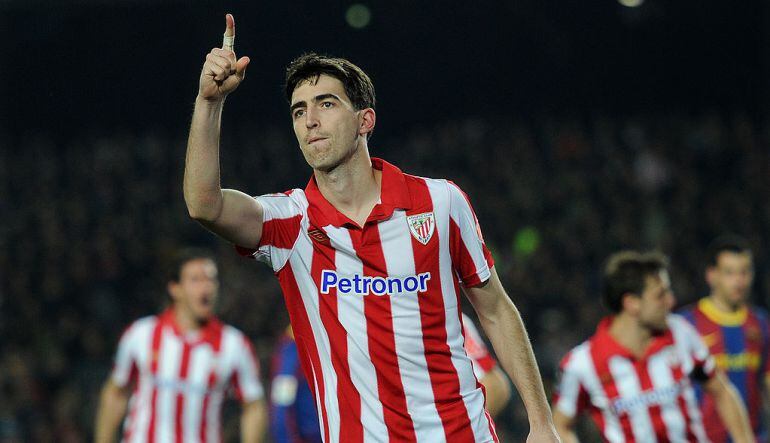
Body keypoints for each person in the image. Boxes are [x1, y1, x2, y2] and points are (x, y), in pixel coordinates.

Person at [183, 13, 559, 443]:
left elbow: (494, 309)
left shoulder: (439, 202)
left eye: (327, 104)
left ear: (365, 121)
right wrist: (210, 102)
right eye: (299, 111)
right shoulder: (291, 222)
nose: (310, 121)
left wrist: (542, 422)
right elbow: (204, 204)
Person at [552, 251, 754, 443]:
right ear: (632, 303)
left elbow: (722, 390)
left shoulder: (680, 333)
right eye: (660, 295)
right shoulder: (582, 364)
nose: (671, 301)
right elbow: (560, 425)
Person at [94, 248, 267, 443]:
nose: (206, 288)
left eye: (211, 279)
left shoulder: (235, 345)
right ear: (175, 288)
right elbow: (116, 393)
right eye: (196, 280)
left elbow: (254, 405)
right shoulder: (141, 335)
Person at [269, 315, 511, 443]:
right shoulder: (293, 348)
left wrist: (439, 432)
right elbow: (281, 410)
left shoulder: (434, 314)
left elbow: (496, 386)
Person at [680, 236, 770, 442]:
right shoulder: (686, 325)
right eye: (729, 273)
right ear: (711, 275)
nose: (739, 281)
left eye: (745, 272)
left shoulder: (761, 323)